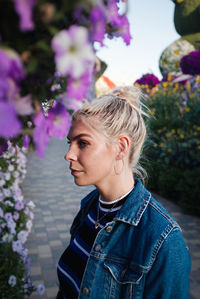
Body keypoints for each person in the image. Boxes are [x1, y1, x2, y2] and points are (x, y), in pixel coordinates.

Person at [57, 86, 191, 299]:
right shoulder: (90, 208)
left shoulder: (162, 239)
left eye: (82, 143)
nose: (69, 154)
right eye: (70, 142)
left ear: (121, 147)